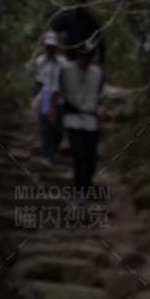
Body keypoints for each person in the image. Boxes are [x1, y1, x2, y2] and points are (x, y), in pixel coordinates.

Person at [58, 44, 103, 196]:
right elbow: (59, 92)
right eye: (83, 56)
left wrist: (101, 109)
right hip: (72, 118)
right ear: (78, 56)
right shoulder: (66, 70)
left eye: (88, 56)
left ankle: (86, 185)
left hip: (90, 120)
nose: (85, 59)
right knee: (79, 156)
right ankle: (79, 191)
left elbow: (99, 95)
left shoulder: (97, 73)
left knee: (91, 157)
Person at [52, 0, 105, 70]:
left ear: (86, 1)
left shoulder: (91, 21)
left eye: (82, 0)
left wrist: (101, 62)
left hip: (85, 62)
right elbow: (53, 31)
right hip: (69, 59)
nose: (79, 3)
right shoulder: (66, 16)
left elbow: (99, 42)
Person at [30, 31, 62, 162]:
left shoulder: (62, 63)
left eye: (52, 46)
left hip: (59, 98)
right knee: (45, 126)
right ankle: (47, 155)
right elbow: (38, 81)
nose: (50, 49)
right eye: (48, 46)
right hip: (44, 96)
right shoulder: (40, 61)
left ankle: (52, 151)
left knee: (57, 128)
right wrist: (35, 98)